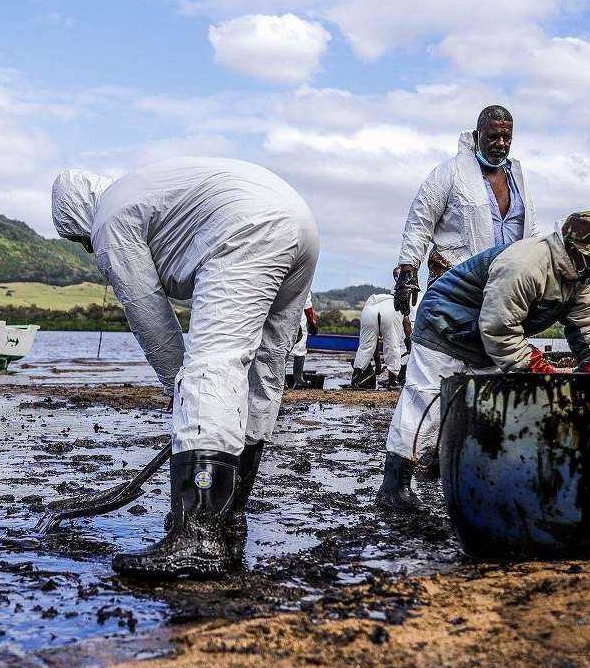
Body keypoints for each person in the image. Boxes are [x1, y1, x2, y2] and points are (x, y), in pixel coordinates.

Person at [50, 157, 318, 578]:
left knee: (211, 366)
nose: (89, 248)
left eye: (81, 240)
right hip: (300, 223)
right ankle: (227, 519)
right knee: (263, 372)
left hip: (246, 228)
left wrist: (185, 396)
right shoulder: (140, 191)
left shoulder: (108, 219)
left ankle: (201, 537)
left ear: (80, 217)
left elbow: (150, 317)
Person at [378, 212, 590, 512]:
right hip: (445, 324)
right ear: (571, 248)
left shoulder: (577, 280)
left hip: (482, 338)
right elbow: (499, 329)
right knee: (426, 403)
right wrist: (532, 364)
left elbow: (586, 326)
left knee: (487, 408)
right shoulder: (525, 265)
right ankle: (394, 485)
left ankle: (452, 471)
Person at [392, 105, 540, 315]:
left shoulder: (518, 181)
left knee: (497, 344)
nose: (500, 144)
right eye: (493, 136)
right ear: (477, 135)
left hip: (505, 291)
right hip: (453, 285)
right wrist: (408, 269)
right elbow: (420, 220)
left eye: (507, 138)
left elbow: (530, 233)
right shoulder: (450, 172)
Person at [350, 293, 405, 389]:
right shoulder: (399, 303)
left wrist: (378, 364)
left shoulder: (374, 301)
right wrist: (409, 341)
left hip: (369, 310)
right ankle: (393, 381)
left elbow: (373, 346)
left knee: (365, 346)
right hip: (391, 310)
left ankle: (355, 380)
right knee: (393, 344)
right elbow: (407, 326)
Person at [288, 294, 319, 388]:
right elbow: (307, 305)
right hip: (298, 318)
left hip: (279, 317)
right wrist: (312, 323)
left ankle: (282, 381)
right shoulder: (303, 282)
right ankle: (298, 380)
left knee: (279, 348)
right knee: (299, 349)